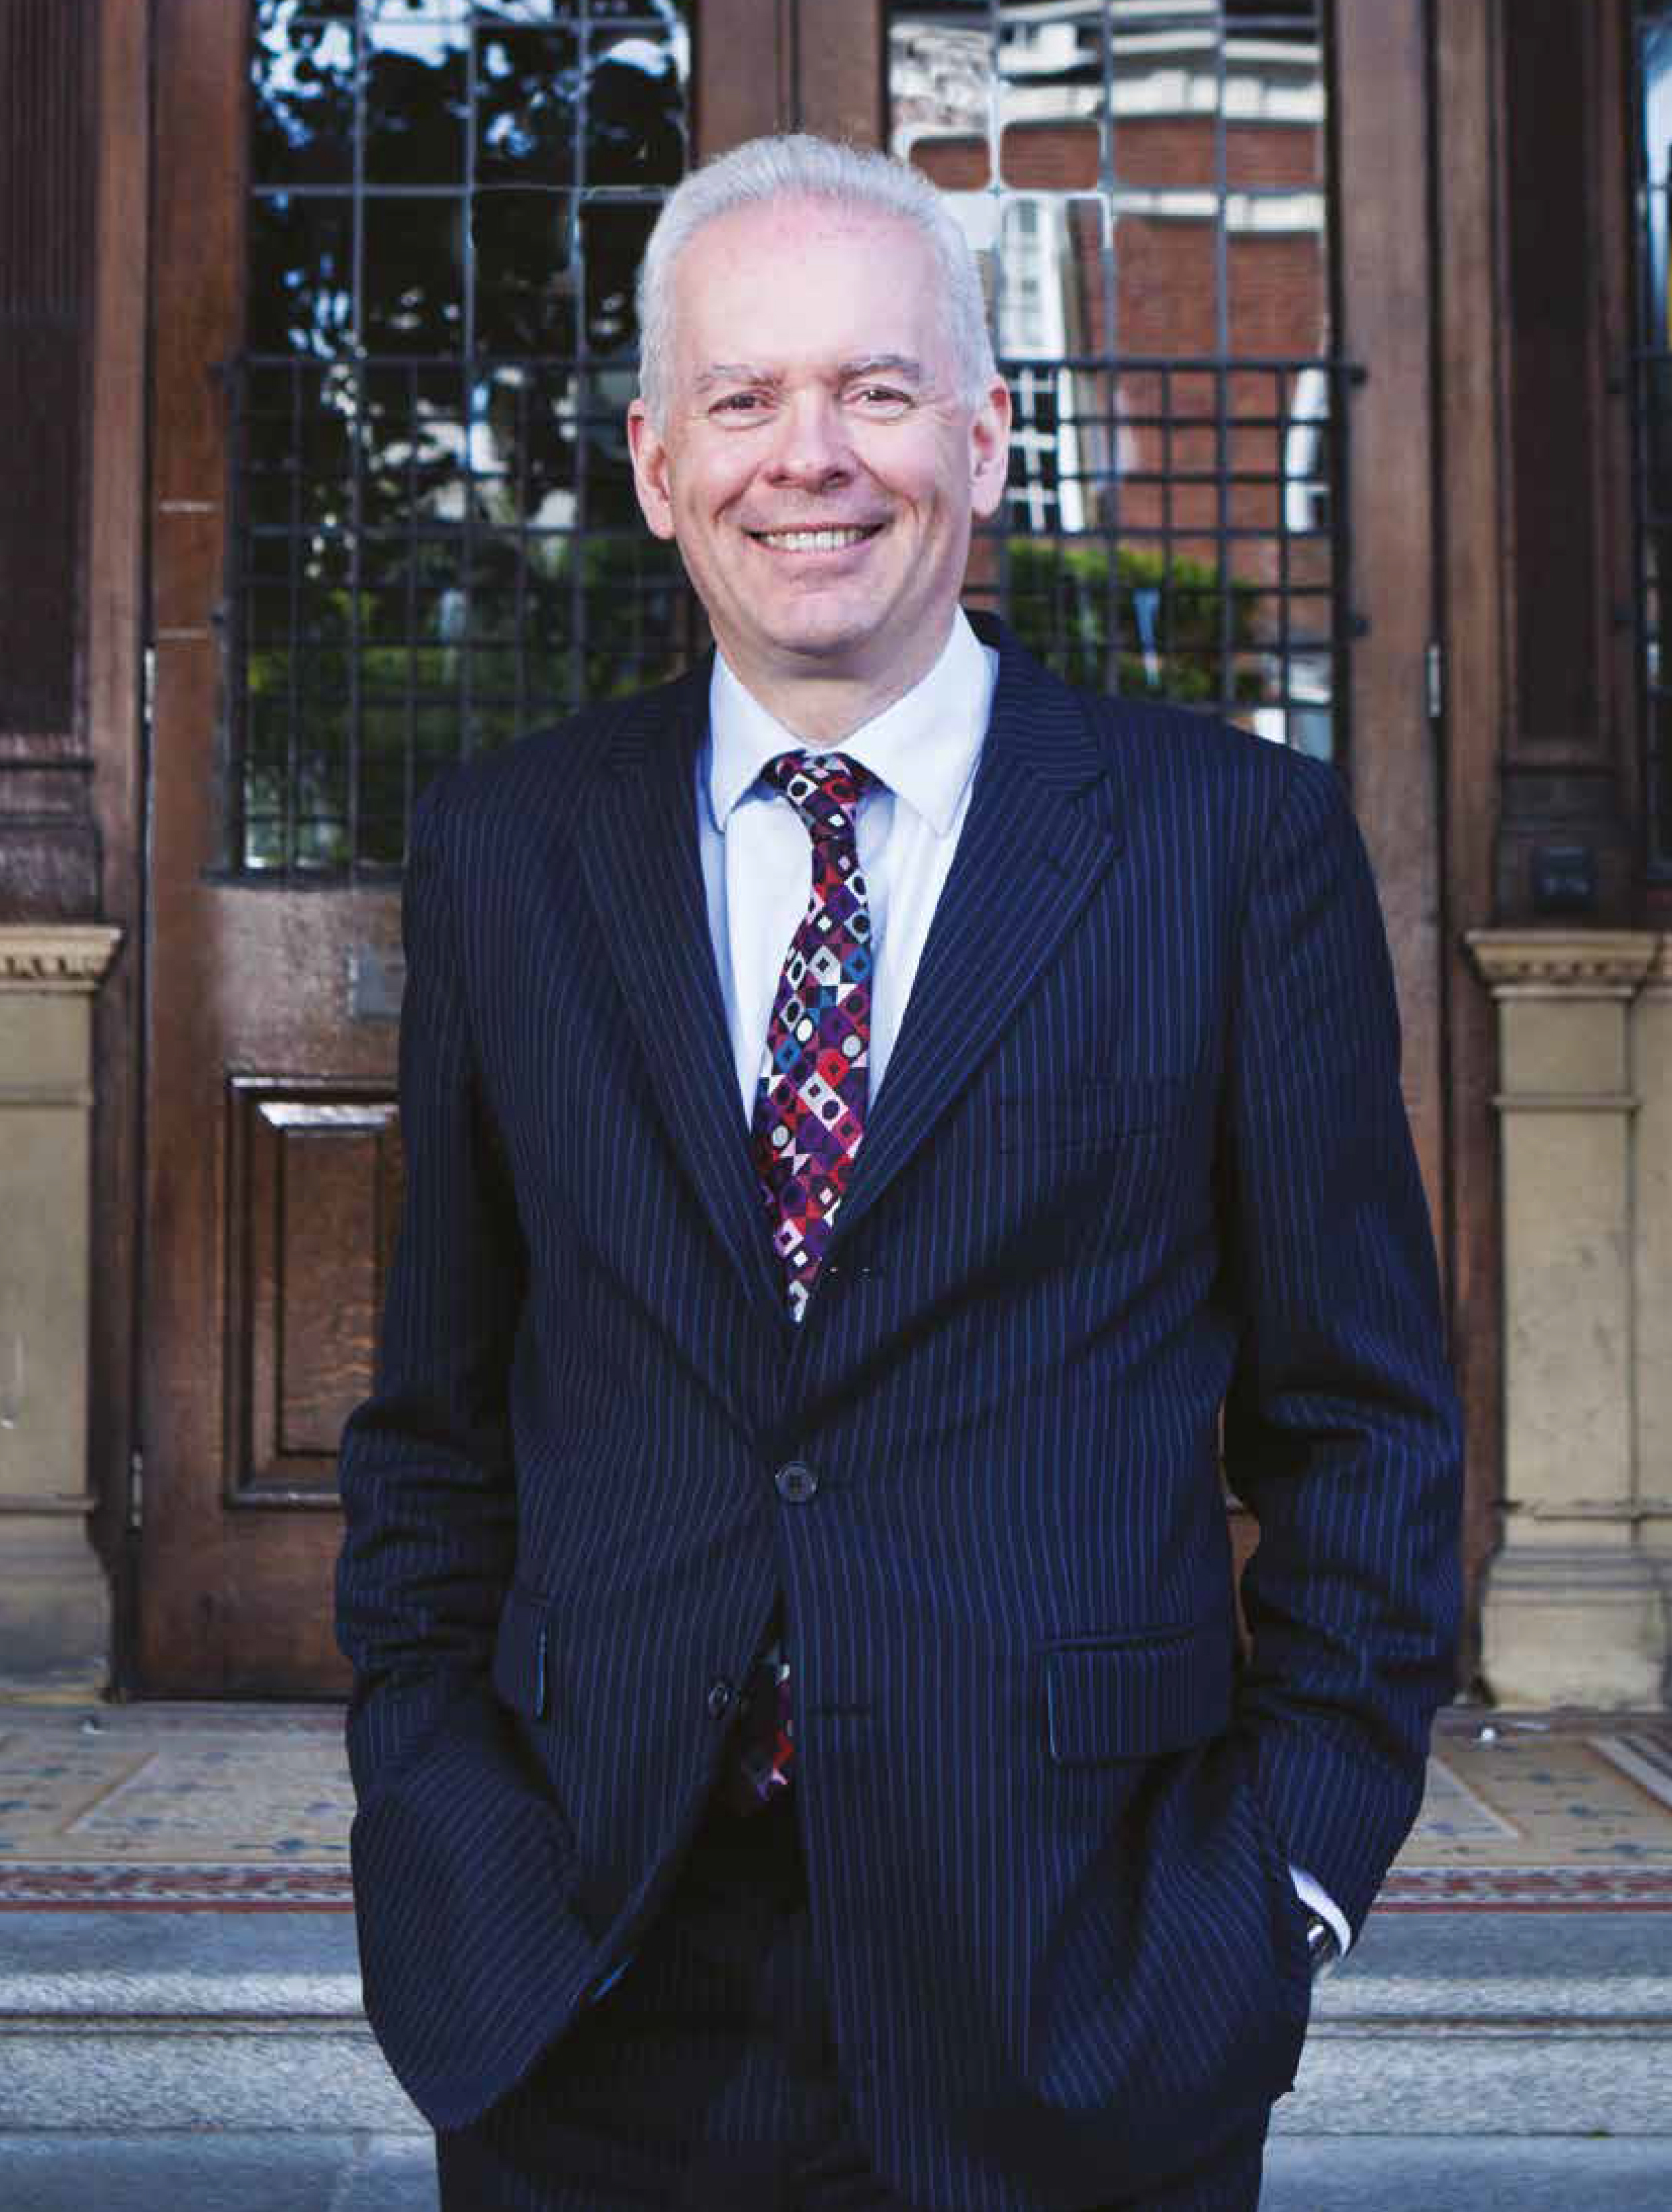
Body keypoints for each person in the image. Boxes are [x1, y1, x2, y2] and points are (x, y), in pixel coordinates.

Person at [336, 133, 1463, 2212]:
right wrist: (434, 1834)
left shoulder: (1232, 850)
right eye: (744, 400)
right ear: (661, 465)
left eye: (871, 390)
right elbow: (437, 1413)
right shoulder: (510, 851)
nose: (811, 459)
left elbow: (1362, 1424)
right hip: (583, 1975)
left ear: (986, 433)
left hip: (1082, 1981)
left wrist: (1285, 1889)